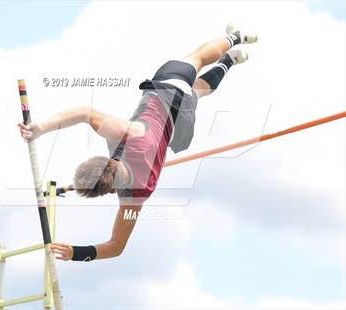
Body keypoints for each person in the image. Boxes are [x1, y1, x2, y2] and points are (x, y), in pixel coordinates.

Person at [18, 24, 257, 262]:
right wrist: (41, 128)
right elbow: (83, 112)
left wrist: (75, 254)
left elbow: (116, 247)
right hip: (167, 92)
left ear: (111, 191)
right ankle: (234, 37)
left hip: (179, 126)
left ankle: (229, 61)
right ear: (102, 160)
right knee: (196, 58)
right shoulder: (123, 134)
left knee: (198, 93)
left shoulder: (134, 197)